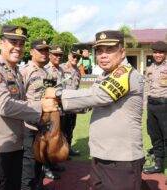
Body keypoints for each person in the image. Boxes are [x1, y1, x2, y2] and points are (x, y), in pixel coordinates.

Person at [44, 30, 145, 190]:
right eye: (99, 51)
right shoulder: (106, 76)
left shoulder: (125, 73)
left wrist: (57, 93)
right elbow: (88, 104)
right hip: (102, 155)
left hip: (120, 158)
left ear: (122, 52)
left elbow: (99, 96)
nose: (103, 55)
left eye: (110, 50)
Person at [0, 27, 56, 190]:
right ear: (1, 44)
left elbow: (21, 103)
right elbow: (4, 106)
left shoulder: (15, 72)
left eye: (21, 44)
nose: (18, 48)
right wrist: (40, 107)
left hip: (16, 144)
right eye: (13, 42)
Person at [20, 38, 54, 190]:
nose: (45, 53)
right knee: (29, 163)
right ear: (32, 52)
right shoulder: (24, 71)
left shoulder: (46, 72)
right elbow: (19, 99)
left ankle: (39, 185)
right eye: (41, 50)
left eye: (47, 50)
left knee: (40, 158)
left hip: (43, 123)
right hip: (29, 125)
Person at [143, 41, 167, 174]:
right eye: (155, 52)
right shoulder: (150, 68)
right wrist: (144, 105)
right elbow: (146, 87)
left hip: (165, 106)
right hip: (152, 106)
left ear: (165, 53)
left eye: (161, 52)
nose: (157, 55)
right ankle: (158, 165)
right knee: (155, 136)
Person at [43, 45, 66, 180]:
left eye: (60, 55)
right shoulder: (46, 69)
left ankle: (53, 162)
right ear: (50, 56)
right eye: (55, 54)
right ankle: (46, 167)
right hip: (49, 110)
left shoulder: (61, 69)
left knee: (56, 138)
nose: (58, 57)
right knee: (48, 140)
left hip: (59, 109)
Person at [60, 46, 82, 157]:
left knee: (71, 127)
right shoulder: (61, 68)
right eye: (74, 56)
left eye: (78, 58)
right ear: (69, 56)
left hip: (74, 105)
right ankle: (61, 150)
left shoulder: (78, 71)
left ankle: (68, 148)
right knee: (62, 129)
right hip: (63, 105)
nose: (76, 59)